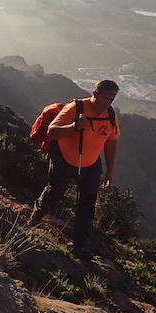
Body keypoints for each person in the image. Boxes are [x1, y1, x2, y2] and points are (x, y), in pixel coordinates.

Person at [29, 79, 120, 260]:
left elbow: (111, 142)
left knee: (87, 205)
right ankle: (35, 217)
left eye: (112, 99)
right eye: (105, 98)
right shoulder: (75, 108)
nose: (108, 103)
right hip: (64, 158)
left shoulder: (110, 115)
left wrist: (110, 170)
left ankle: (81, 247)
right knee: (54, 193)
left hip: (91, 164)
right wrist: (73, 127)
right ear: (94, 94)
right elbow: (52, 131)